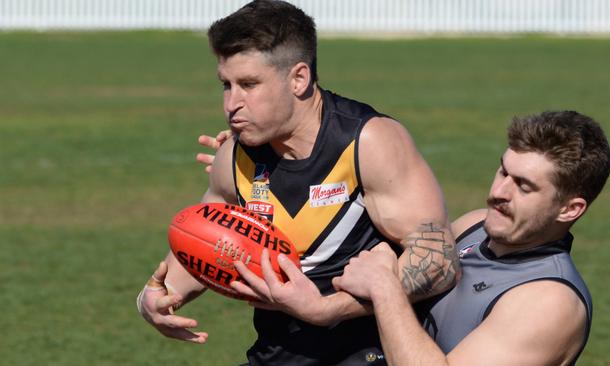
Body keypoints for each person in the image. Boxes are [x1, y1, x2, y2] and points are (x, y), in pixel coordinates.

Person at [136, 1, 459, 365]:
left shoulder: (368, 143)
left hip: (366, 354)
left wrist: (326, 309)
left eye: (249, 84)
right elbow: (206, 239)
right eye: (226, 85)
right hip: (276, 355)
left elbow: (438, 262)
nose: (231, 104)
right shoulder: (234, 157)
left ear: (299, 79)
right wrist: (156, 297)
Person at [332, 110, 610, 365]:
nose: (498, 192)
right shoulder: (474, 225)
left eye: (524, 186)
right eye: (503, 170)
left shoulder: (550, 303)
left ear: (569, 209)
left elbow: (385, 283)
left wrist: (385, 287)